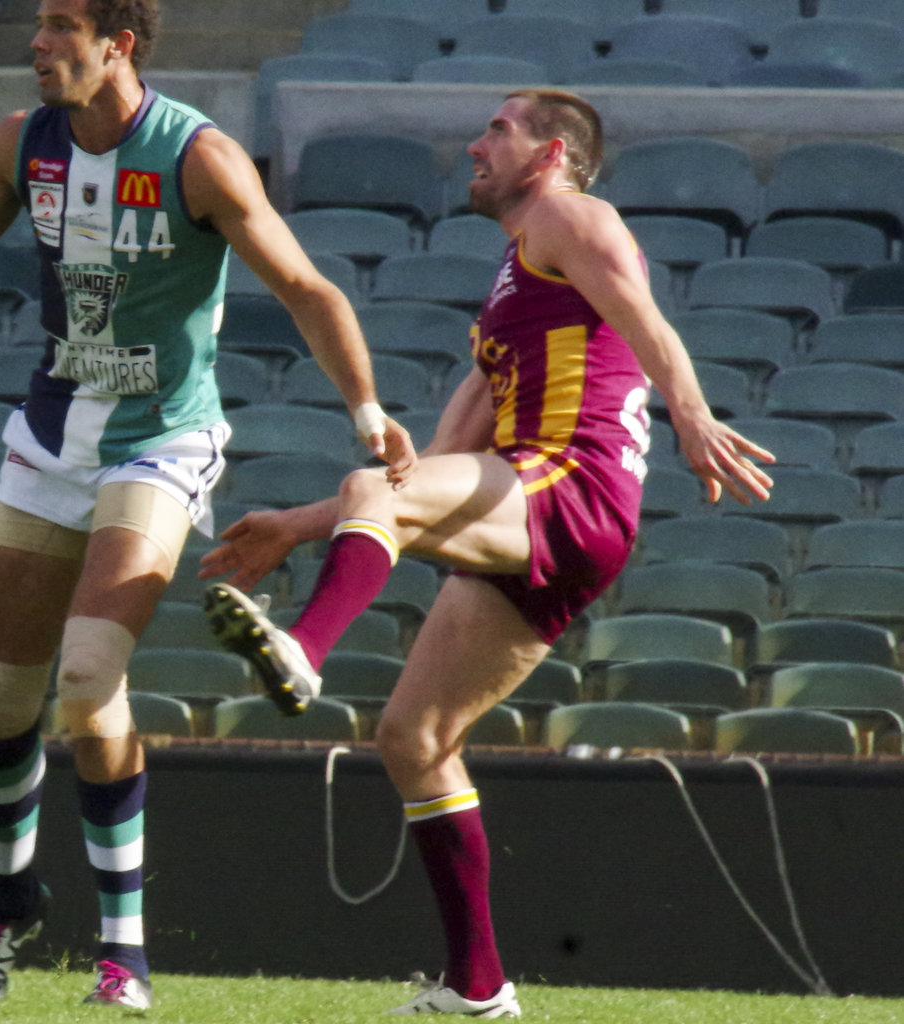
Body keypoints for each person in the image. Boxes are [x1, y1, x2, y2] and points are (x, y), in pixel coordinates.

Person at [200, 88, 775, 1017]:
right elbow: (424, 473)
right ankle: (478, 989)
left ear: (550, 154)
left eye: (497, 131)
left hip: (570, 486)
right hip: (542, 512)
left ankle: (303, 651)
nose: (474, 146)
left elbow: (648, 322)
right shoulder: (511, 294)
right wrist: (296, 525)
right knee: (414, 739)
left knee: (374, 501)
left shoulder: (571, 215)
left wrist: (694, 414)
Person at [0, 0, 415, 1010]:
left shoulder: (198, 157)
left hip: (159, 438)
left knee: (87, 677)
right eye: (37, 24)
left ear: (117, 45)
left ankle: (124, 951)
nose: (36, 43)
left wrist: (366, 410)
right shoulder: (16, 143)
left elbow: (307, 288)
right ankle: (10, 897)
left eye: (60, 26)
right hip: (49, 436)